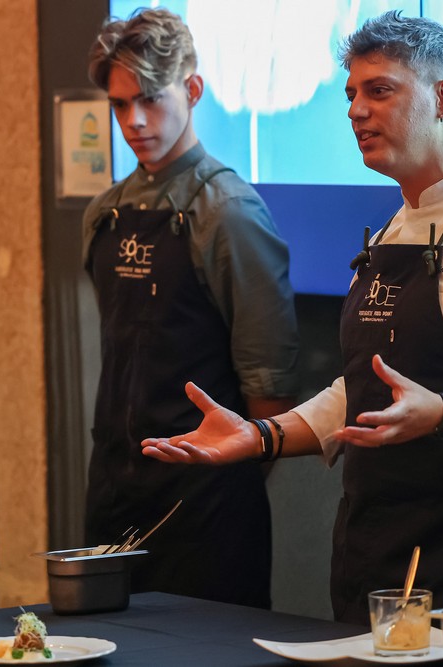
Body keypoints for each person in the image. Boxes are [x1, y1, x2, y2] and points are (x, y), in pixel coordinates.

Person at [142, 10, 443, 624]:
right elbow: (361, 392)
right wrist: (262, 437)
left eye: (379, 90)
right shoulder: (393, 228)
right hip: (369, 558)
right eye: (352, 94)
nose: (356, 110)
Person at [81, 8, 299, 608]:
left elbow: (269, 391)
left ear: (193, 90)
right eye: (120, 104)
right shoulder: (103, 214)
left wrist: (217, 488)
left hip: (207, 506)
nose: (135, 120)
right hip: (114, 490)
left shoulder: (229, 213)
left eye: (150, 98)